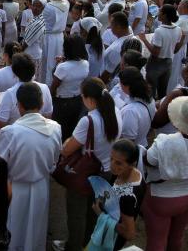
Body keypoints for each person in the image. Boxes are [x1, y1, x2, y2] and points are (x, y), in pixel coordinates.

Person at [142, 96, 188, 251]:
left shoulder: (165, 142)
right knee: (177, 236)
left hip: (163, 197)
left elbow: (148, 161)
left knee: (157, 240)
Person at [0, 82, 62, 251]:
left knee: (15, 230)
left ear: (19, 105)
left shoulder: (10, 132)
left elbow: (1, 166)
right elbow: (54, 160)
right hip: (41, 186)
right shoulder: (56, 128)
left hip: (15, 189)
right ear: (42, 104)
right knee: (36, 229)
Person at [60, 77, 121, 251]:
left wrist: (66, 143)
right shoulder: (116, 111)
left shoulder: (89, 121)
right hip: (106, 171)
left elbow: (67, 150)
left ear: (91, 99)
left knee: (76, 213)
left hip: (85, 172)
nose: (82, 99)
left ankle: (73, 246)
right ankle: (88, 244)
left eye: (82, 96)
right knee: (95, 210)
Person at [96, 139, 146, 250]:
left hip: (111, 240)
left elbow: (129, 234)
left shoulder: (127, 197)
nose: (112, 165)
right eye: (111, 159)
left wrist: (101, 215)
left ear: (132, 164)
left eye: (118, 163)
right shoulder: (132, 173)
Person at [0, 54, 54, 135]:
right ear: (34, 70)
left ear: (14, 73)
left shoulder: (10, 93)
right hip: (39, 133)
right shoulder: (45, 88)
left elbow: (0, 122)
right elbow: (48, 115)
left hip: (16, 136)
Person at [152, 59, 188, 135]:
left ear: (187, 74)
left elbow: (157, 122)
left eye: (185, 66)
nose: (183, 66)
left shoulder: (178, 94)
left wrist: (151, 107)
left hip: (170, 137)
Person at [140, 4, 184, 99]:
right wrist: (182, 40)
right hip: (168, 63)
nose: (158, 13)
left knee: (150, 92)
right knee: (162, 92)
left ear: (164, 15)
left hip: (156, 63)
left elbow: (155, 52)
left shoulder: (159, 31)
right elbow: (175, 50)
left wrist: (144, 39)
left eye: (160, 11)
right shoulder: (178, 29)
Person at [51, 35, 90, 141]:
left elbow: (54, 86)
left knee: (59, 129)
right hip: (77, 99)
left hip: (62, 101)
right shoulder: (85, 64)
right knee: (72, 127)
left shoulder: (63, 67)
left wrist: (52, 99)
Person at [118, 67, 155, 147]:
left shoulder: (130, 111)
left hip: (131, 150)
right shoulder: (150, 99)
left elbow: (127, 142)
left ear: (127, 86)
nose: (119, 86)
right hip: (142, 143)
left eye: (120, 83)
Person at [41, 0, 69, 85]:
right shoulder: (66, 3)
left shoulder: (49, 7)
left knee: (47, 62)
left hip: (49, 37)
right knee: (56, 61)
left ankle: (47, 83)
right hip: (60, 36)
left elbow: (42, 19)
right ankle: (55, 82)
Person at [168, 0, 188, 92]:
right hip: (179, 47)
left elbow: (180, 36)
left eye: (179, 4)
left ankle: (170, 91)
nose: (177, 5)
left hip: (177, 48)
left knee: (174, 71)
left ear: (184, 7)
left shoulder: (185, 20)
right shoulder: (184, 17)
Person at [101, 12, 132, 85]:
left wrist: (99, 84)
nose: (109, 27)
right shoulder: (132, 38)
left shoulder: (116, 49)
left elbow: (107, 73)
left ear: (118, 26)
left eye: (111, 24)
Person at [22, 0, 46, 74]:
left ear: (43, 8)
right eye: (34, 5)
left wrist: (19, 51)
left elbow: (27, 42)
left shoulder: (38, 22)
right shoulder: (37, 18)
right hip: (32, 54)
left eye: (38, 6)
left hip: (32, 55)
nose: (35, 8)